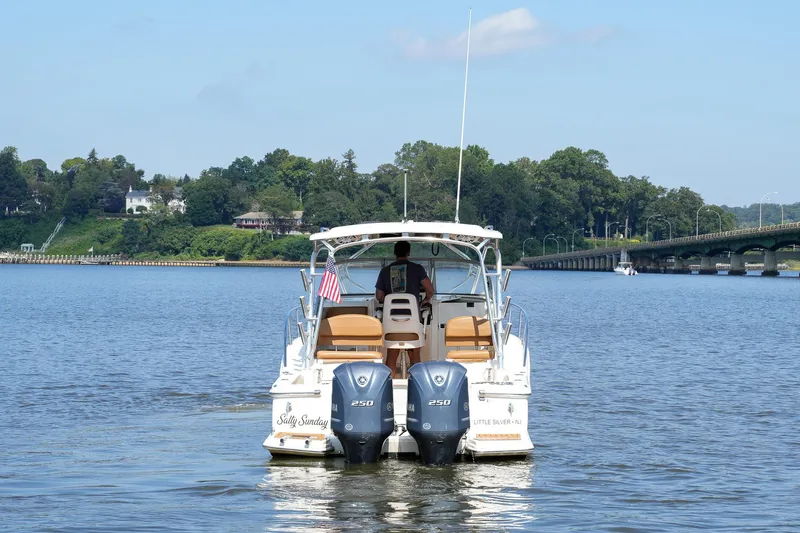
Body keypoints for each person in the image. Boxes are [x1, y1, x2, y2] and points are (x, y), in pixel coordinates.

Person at [375, 241, 434, 375]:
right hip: (412, 325)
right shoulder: (417, 269)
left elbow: (379, 296)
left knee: (392, 354)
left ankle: (389, 383)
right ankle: (417, 382)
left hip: (392, 326)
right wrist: (426, 300)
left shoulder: (385, 271)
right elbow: (430, 290)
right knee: (415, 354)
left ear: (395, 253)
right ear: (409, 252)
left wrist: (389, 300)